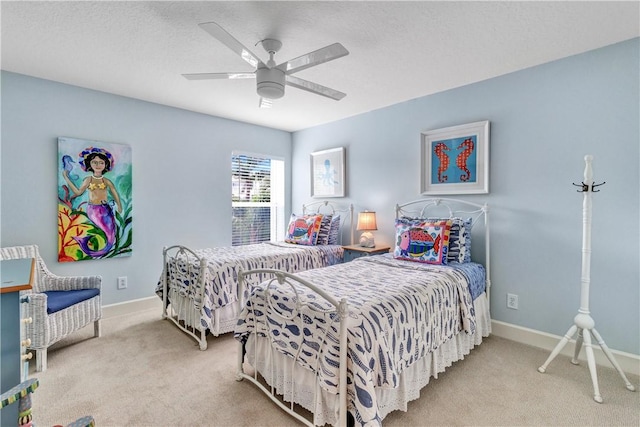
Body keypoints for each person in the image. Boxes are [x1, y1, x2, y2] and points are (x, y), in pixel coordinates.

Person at [62, 147, 122, 257]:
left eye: (101, 162)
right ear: (89, 163)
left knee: (111, 236)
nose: (98, 165)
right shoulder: (88, 180)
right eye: (94, 162)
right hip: (94, 210)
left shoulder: (106, 181)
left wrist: (119, 205)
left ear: (105, 165)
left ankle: (89, 246)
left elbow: (114, 192)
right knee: (107, 234)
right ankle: (86, 244)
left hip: (106, 209)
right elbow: (78, 192)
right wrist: (66, 177)